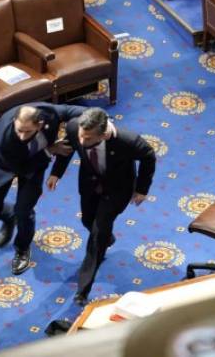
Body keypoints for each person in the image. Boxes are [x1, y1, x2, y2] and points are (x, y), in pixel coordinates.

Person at [47, 108, 156, 305]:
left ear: (104, 135)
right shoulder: (75, 128)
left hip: (117, 190)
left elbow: (149, 155)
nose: (82, 140)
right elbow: (68, 149)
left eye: (87, 138)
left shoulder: (127, 141)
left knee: (97, 235)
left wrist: (142, 189)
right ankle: (107, 237)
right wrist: (57, 172)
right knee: (87, 220)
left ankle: (82, 290)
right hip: (89, 184)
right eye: (81, 135)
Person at [0, 103, 86, 275]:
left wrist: (101, 121)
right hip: (2, 164)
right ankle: (9, 216)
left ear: (40, 124)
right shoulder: (5, 137)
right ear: (14, 121)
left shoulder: (50, 114)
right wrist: (50, 150)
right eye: (19, 130)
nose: (22, 136)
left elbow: (76, 112)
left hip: (35, 166)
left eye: (28, 131)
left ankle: (22, 249)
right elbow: (22, 165)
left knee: (24, 210)